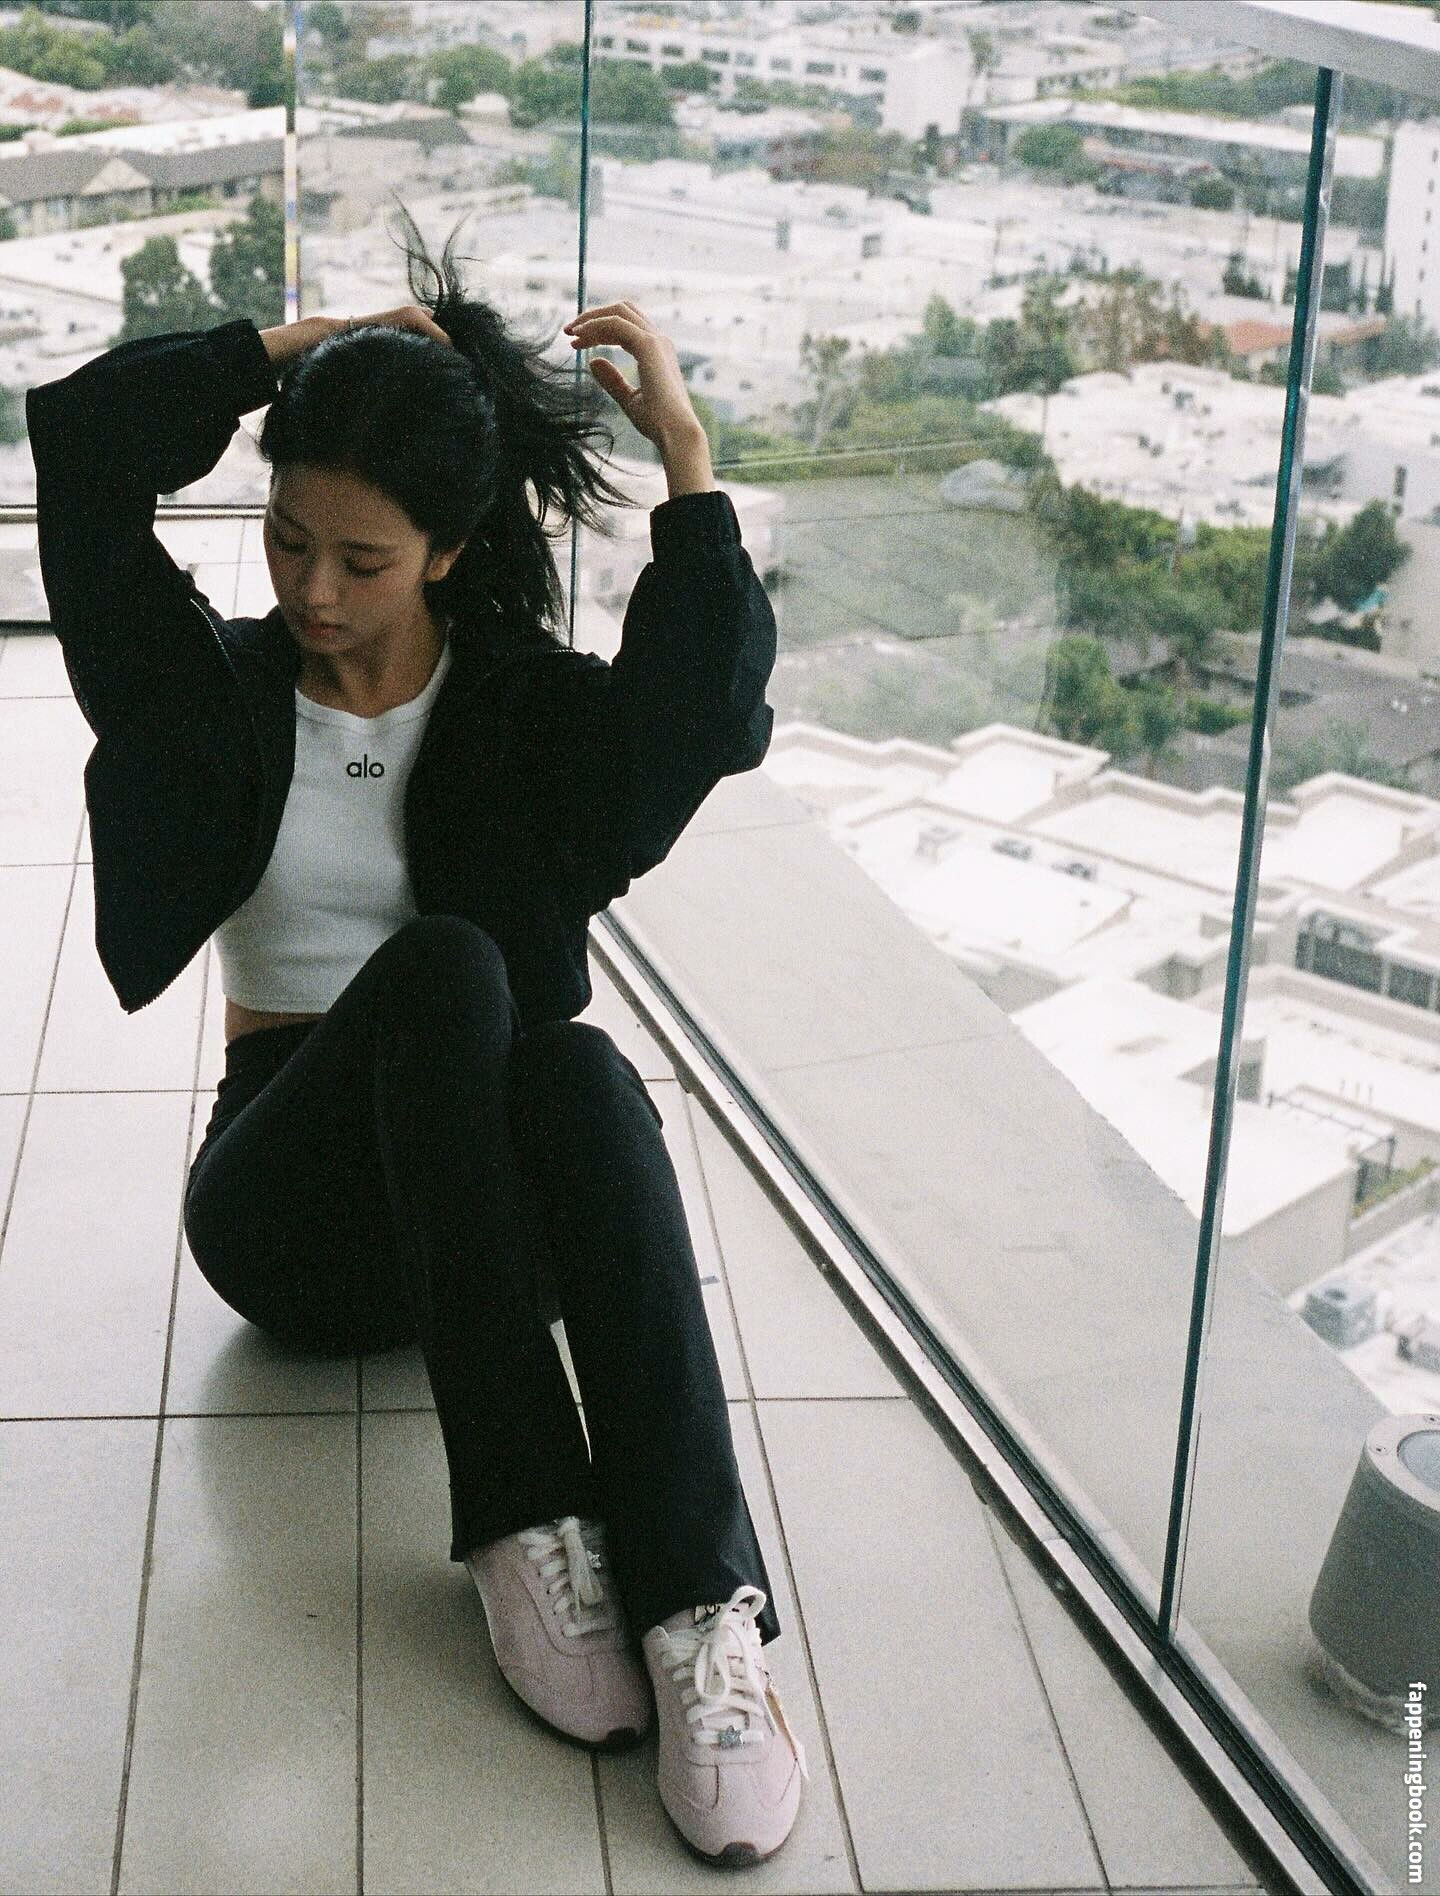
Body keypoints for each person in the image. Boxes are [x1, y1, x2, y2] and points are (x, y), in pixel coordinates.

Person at [26, 199, 806, 1868]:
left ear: (448, 551)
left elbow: (702, 714)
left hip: (492, 1234)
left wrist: (686, 458)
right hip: (290, 1216)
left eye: (363, 560)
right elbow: (80, 453)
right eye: (287, 541)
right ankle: (525, 1522)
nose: (312, 590)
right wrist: (287, 353)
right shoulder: (203, 691)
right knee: (452, 975)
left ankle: (699, 1617)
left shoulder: (521, 710)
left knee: (578, 1067)